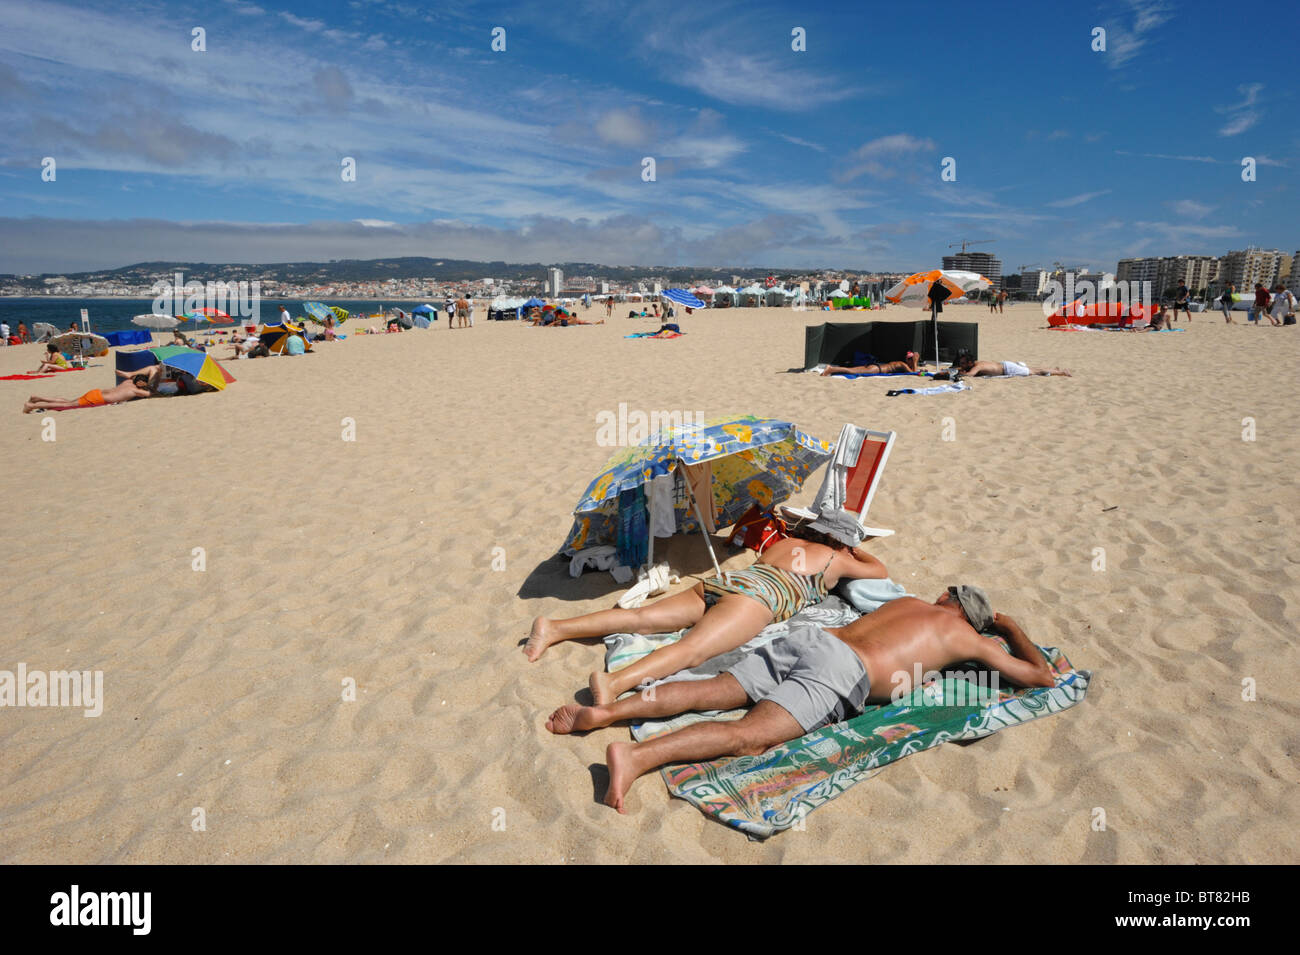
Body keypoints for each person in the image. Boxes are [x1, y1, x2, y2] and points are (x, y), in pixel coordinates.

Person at [546, 584, 1056, 813]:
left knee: (712, 691)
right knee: (749, 737)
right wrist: (1007, 626)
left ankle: (607, 711)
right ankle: (635, 755)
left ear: (948, 599)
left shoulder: (907, 601)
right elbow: (1042, 677)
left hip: (813, 641)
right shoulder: (969, 638)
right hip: (840, 672)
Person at [526, 531, 889, 704]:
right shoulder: (836, 559)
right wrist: (854, 552)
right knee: (691, 651)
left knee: (642, 618)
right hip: (757, 599)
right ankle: (614, 684)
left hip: (732, 581)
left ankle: (555, 627)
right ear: (842, 544)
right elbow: (878, 569)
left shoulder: (784, 544)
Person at [22, 365, 161, 413]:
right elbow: (151, 393)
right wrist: (157, 377)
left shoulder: (128, 382)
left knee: (68, 402)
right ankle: (32, 405)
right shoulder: (136, 390)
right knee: (67, 405)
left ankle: (37, 398)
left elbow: (149, 369)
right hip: (98, 398)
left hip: (96, 392)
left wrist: (153, 371)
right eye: (145, 382)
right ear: (141, 383)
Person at [933, 351, 1071, 379]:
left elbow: (969, 374)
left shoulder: (977, 367)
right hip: (1006, 365)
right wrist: (950, 370)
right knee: (1034, 369)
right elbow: (963, 369)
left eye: (963, 363)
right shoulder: (976, 363)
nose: (961, 365)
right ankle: (1055, 370)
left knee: (1036, 372)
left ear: (970, 362)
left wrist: (954, 374)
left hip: (1008, 368)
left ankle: (1061, 372)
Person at [820, 352, 919, 376]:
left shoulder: (902, 364)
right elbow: (913, 373)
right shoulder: (903, 364)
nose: (911, 360)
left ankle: (831, 369)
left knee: (852, 371)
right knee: (852, 371)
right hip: (876, 369)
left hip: (876, 368)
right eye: (910, 358)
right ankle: (831, 369)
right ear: (907, 360)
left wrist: (915, 363)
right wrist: (915, 361)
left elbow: (914, 371)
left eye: (912, 358)